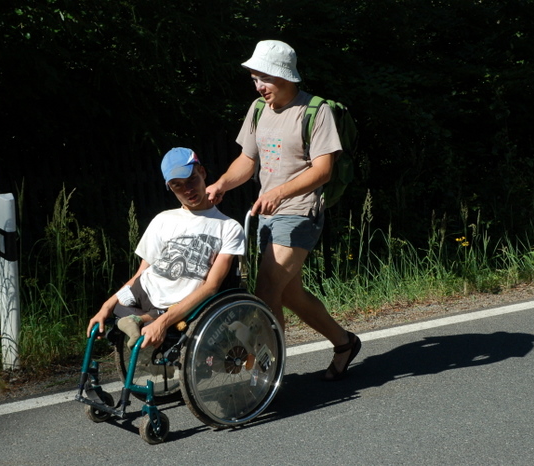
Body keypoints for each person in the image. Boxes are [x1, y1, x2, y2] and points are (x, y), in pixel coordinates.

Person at [206, 40, 361, 381]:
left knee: (266, 289)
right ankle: (345, 342)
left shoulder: (315, 111)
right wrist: (221, 184)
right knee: (290, 294)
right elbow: (247, 160)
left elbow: (323, 170)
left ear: (285, 76)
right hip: (267, 214)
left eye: (265, 78)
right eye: (255, 79)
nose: (259, 86)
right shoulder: (258, 110)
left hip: (300, 211)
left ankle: (268, 375)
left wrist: (280, 192)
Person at [87, 147, 245, 349]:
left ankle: (143, 320)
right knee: (113, 310)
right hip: (145, 290)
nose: (187, 190)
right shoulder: (163, 219)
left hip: (177, 305)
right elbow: (141, 273)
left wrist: (163, 322)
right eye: (177, 185)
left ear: (202, 172)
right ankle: (139, 320)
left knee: (159, 320)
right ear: (169, 187)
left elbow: (211, 286)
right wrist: (105, 307)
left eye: (191, 180)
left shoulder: (229, 227)